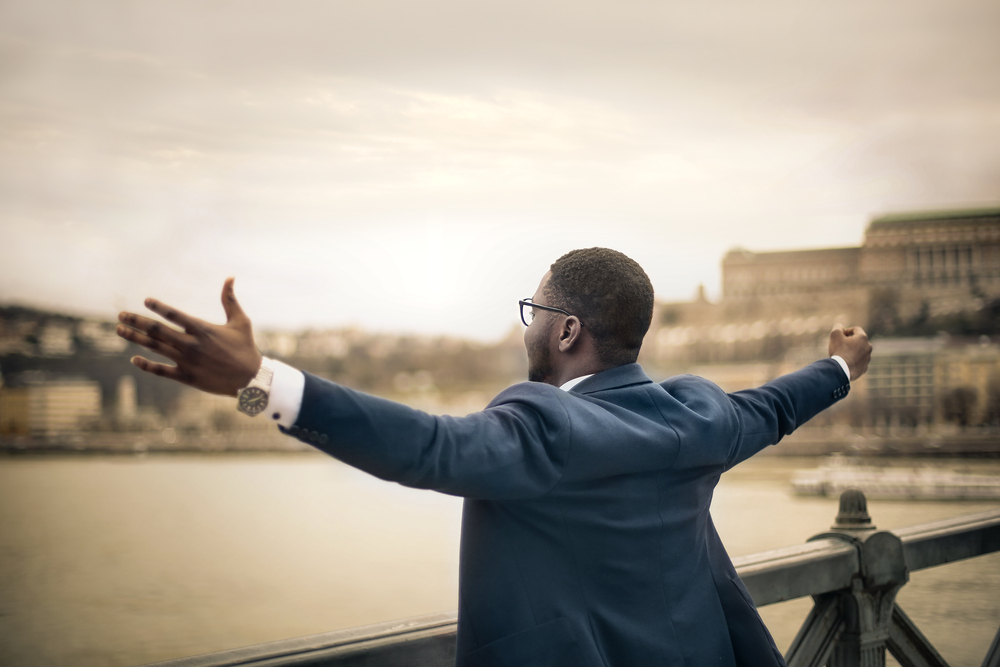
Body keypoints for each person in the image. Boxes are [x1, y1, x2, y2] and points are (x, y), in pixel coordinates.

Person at [116, 247, 871, 667]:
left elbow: (426, 446)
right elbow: (776, 405)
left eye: (532, 313)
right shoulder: (702, 412)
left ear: (567, 330)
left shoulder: (547, 428)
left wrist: (258, 383)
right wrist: (841, 367)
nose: (525, 329)